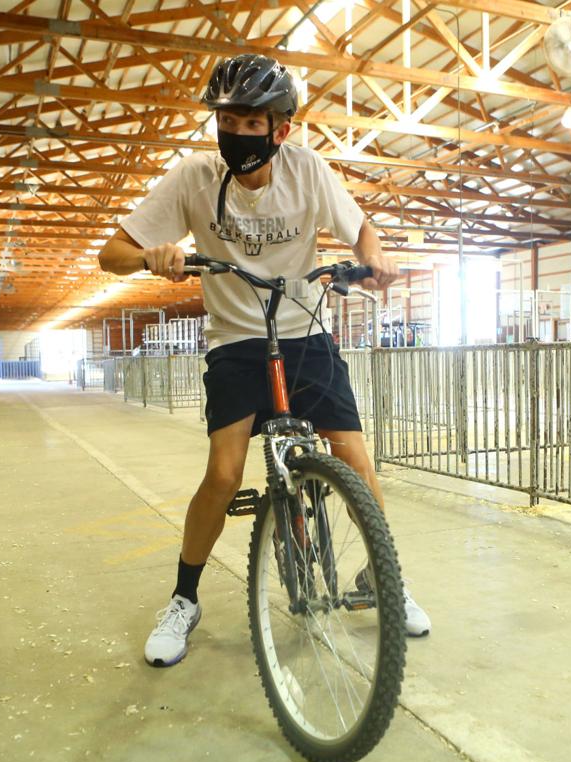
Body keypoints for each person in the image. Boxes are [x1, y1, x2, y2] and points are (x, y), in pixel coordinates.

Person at [99, 53, 431, 668]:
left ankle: (386, 576)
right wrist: (152, 257)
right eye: (227, 119)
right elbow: (109, 254)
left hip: (305, 332)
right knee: (223, 474)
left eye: (251, 122)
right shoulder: (193, 178)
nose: (236, 133)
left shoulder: (308, 170)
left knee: (354, 455)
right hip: (234, 340)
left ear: (280, 128)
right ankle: (184, 597)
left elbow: (361, 229)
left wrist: (375, 259)